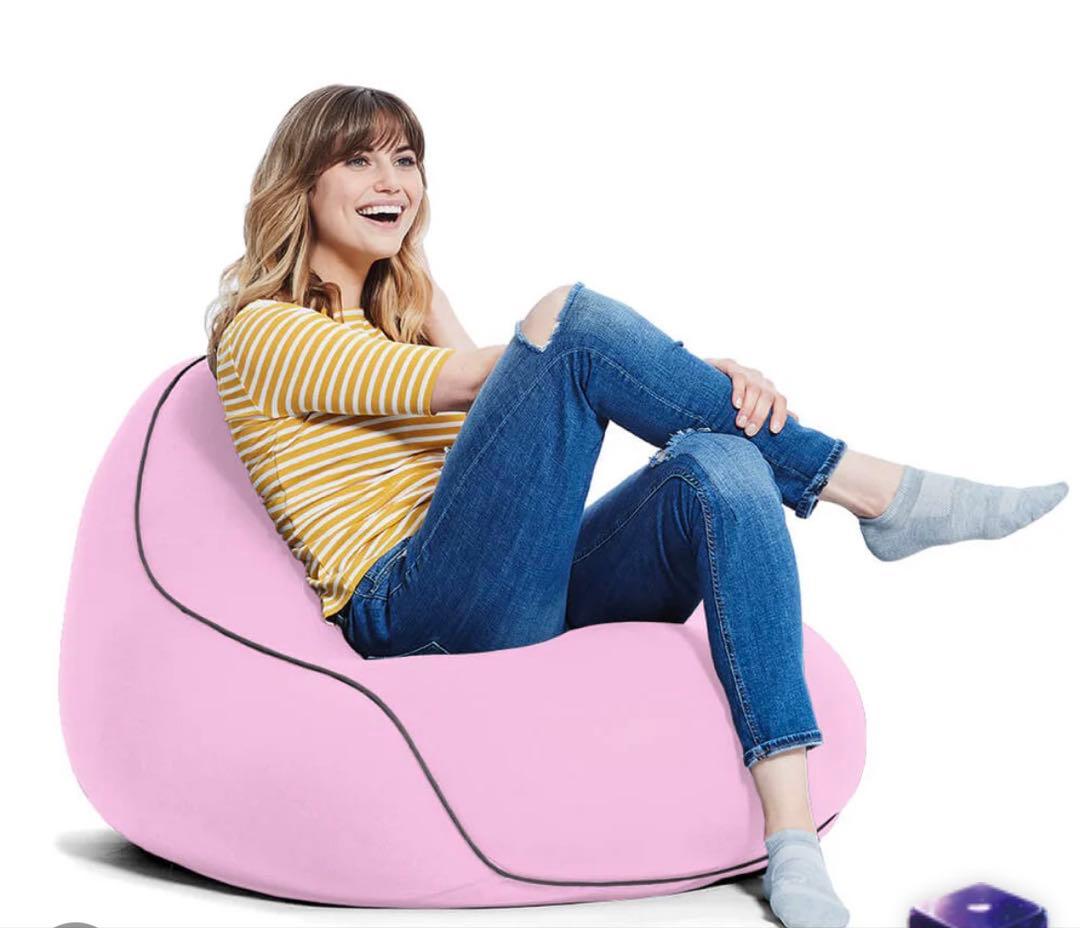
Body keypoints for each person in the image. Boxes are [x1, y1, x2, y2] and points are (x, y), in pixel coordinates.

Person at [204, 85, 1067, 928]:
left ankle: (793, 839)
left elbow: (502, 415)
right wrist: (651, 365)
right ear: (302, 184)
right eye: (359, 161)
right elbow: (488, 376)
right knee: (568, 319)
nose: (393, 181)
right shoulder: (261, 331)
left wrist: (694, 390)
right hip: (413, 610)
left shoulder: (414, 303)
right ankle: (874, 491)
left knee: (721, 459)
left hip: (506, 583)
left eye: (406, 160)